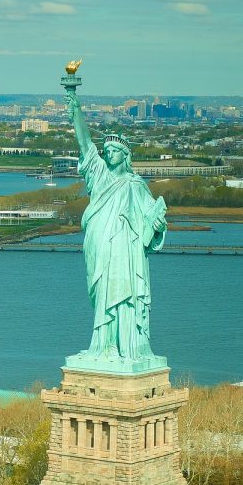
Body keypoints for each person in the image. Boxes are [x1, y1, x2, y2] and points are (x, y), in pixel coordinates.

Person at [64, 90, 167, 361]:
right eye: (106, 151)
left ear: (125, 155)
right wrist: (76, 112)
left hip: (125, 249)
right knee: (102, 293)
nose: (108, 155)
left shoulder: (135, 185)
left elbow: (152, 219)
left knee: (124, 293)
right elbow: (85, 145)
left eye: (113, 151)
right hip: (99, 244)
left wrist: (157, 223)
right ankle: (103, 344)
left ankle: (127, 346)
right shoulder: (99, 176)